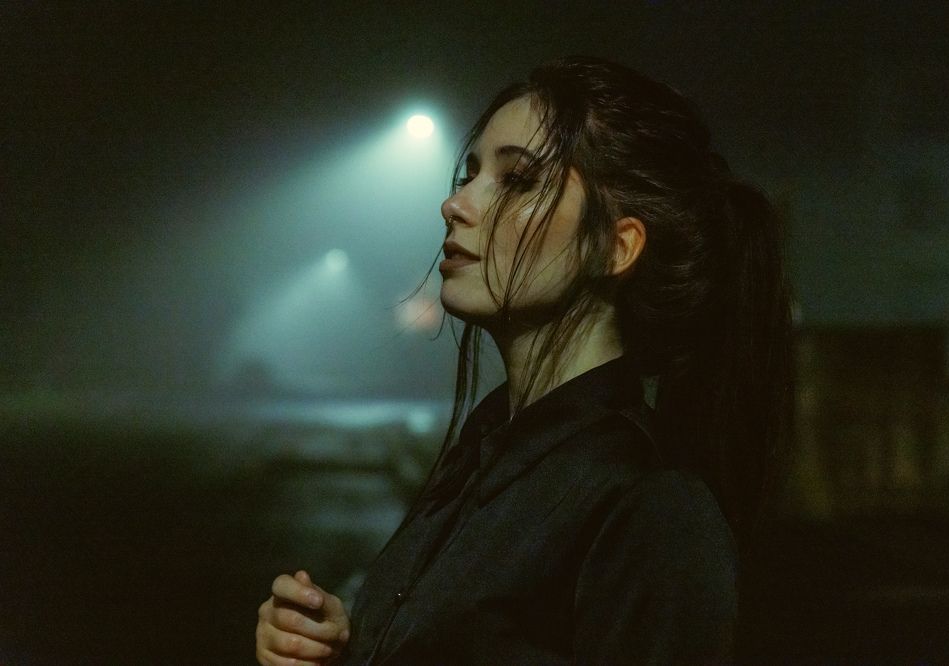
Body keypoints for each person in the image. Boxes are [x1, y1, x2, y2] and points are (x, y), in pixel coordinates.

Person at [255, 56, 791, 665]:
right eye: (469, 174)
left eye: (517, 180)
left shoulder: (653, 509)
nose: (456, 204)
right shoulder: (484, 456)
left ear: (615, 247)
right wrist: (345, 647)